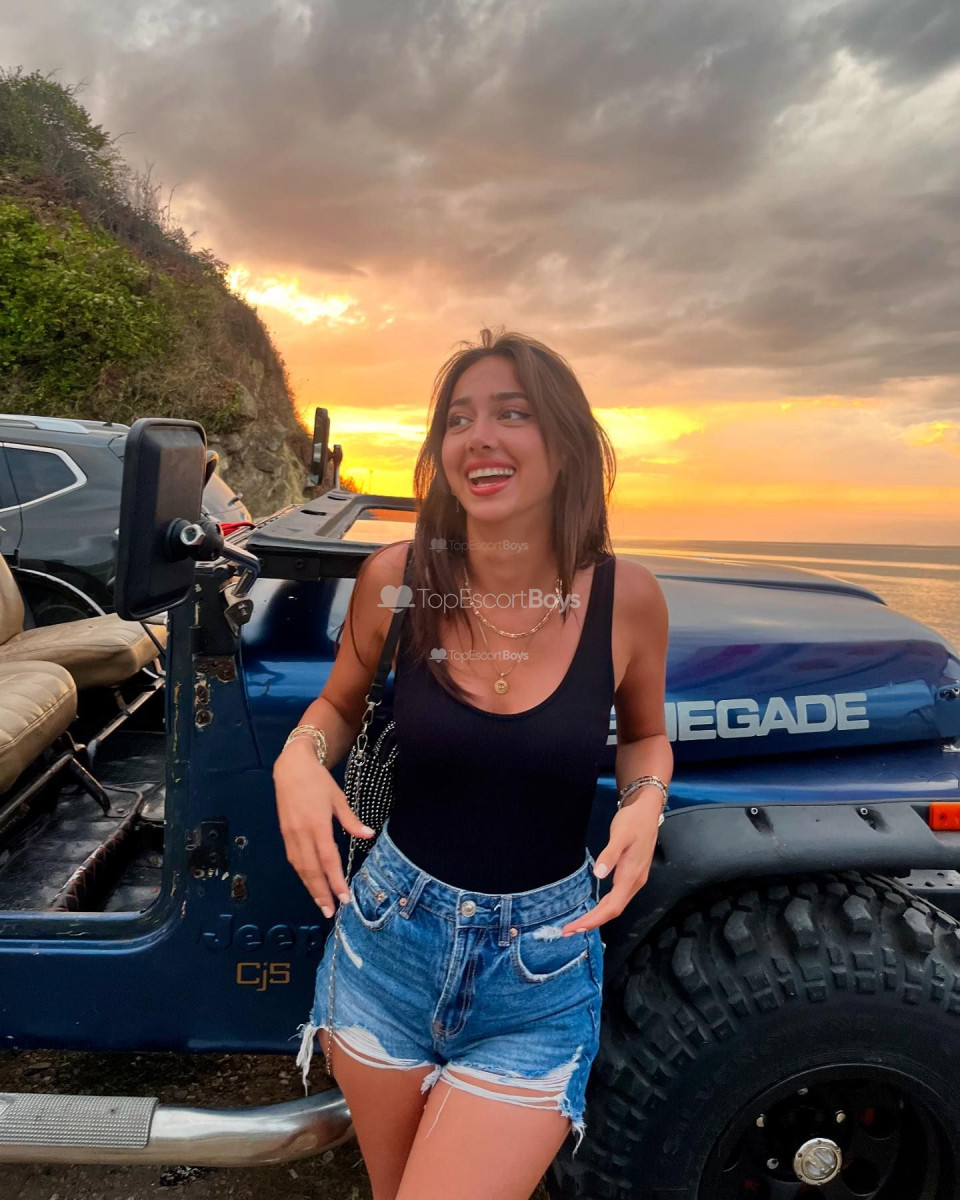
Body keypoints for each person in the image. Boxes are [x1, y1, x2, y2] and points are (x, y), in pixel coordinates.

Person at [272, 328, 672, 1200]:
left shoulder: (627, 599)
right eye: (459, 420)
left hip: (541, 975)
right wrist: (298, 759)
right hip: (387, 946)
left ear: (566, 445)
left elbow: (645, 735)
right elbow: (337, 706)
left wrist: (646, 798)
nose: (479, 437)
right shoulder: (396, 581)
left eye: (511, 414)